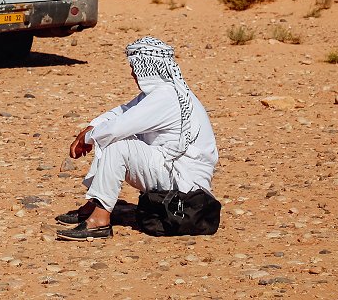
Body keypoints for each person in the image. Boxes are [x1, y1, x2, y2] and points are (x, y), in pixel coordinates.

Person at [56, 36, 218, 241]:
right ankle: (93, 204)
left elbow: (116, 128)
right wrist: (93, 126)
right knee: (108, 135)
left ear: (149, 67)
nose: (132, 72)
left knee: (116, 143)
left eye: (136, 67)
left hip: (184, 182)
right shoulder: (161, 93)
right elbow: (122, 112)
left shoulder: (165, 97)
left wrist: (87, 138)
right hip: (171, 169)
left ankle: (99, 222)